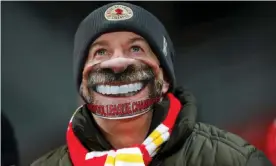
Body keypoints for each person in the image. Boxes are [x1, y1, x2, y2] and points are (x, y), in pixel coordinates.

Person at [31, 2, 273, 166]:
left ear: (165, 78)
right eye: (100, 52)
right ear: (81, 88)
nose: (117, 63)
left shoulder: (234, 159)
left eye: (136, 48)